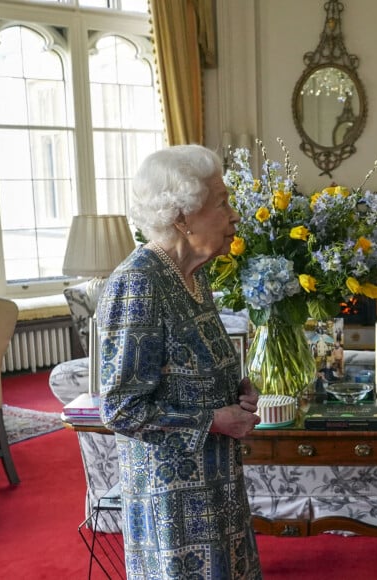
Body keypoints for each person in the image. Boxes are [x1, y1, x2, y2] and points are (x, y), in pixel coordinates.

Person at [97, 145, 263, 579]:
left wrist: (237, 390)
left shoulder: (194, 275)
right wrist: (213, 420)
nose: (234, 216)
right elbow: (120, 409)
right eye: (222, 203)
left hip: (216, 489)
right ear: (182, 217)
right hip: (172, 506)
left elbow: (188, 368)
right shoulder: (138, 283)